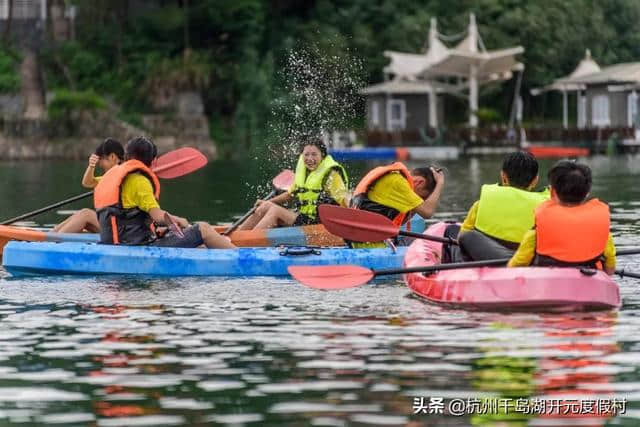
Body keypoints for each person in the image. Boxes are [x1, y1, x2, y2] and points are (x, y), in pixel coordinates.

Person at [94, 136, 235, 249]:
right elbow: (157, 215)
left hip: (113, 245)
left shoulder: (109, 176)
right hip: (138, 247)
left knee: (191, 242)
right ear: (154, 160)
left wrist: (164, 228)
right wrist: (179, 220)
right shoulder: (140, 182)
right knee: (203, 228)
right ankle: (242, 257)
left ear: (126, 157)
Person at [508, 160, 615, 275]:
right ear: (587, 192)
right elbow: (610, 270)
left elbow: (515, 267)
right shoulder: (602, 231)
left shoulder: (537, 232)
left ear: (552, 192)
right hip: (589, 285)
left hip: (548, 286)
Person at [456, 151, 549, 261]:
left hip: (490, 257)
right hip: (530, 259)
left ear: (503, 176)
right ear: (535, 180)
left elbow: (462, 236)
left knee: (467, 236)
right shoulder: (547, 206)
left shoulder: (480, 204)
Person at [239, 138, 348, 230]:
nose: (310, 159)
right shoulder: (304, 173)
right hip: (305, 218)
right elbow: (289, 195)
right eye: (306, 155)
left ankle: (248, 240)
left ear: (322, 155)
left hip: (320, 224)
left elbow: (344, 199)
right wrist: (266, 201)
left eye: (314, 154)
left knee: (275, 211)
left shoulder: (331, 175)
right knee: (266, 206)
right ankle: (238, 234)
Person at [348, 161, 444, 248]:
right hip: (372, 246)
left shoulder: (394, 177)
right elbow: (428, 212)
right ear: (419, 182)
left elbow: (399, 221)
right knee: (430, 246)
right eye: (422, 198)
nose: (419, 202)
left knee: (417, 240)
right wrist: (440, 183)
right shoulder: (398, 183)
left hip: (364, 239)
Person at [53, 138, 124, 233]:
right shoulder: (108, 177)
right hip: (113, 225)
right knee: (81, 213)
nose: (100, 164)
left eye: (101, 159)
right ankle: (50, 234)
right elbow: (87, 183)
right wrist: (91, 166)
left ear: (112, 157)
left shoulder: (124, 175)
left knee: (86, 214)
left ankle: (51, 240)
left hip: (121, 229)